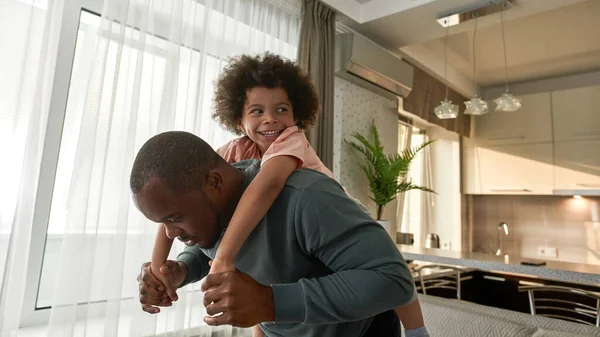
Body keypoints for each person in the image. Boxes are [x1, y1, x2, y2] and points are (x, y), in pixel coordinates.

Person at [146, 53, 429, 337]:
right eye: (257, 111)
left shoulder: (289, 143)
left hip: (339, 209)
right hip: (287, 315)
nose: (271, 119)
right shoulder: (230, 156)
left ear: (296, 114)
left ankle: (417, 330)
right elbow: (181, 200)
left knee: (393, 272)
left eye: (281, 109)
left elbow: (267, 186)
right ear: (238, 118)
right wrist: (162, 269)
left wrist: (223, 259)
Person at [132, 130, 419, 336]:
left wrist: (269, 302)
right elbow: (210, 245)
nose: (170, 234)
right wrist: (180, 269)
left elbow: (394, 279)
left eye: (175, 218)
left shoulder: (306, 197)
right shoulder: (213, 214)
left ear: (215, 183)